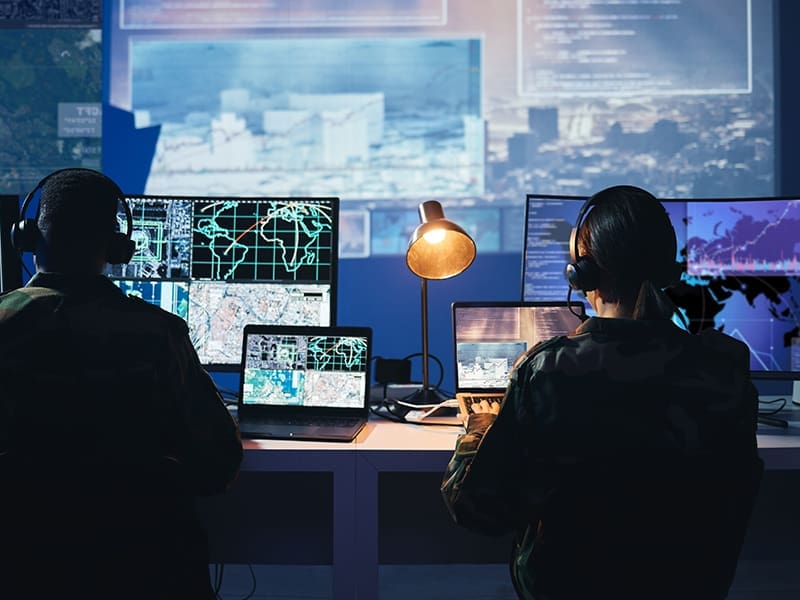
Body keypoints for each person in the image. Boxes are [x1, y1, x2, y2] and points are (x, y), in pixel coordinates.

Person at [441, 185, 762, 600]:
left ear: (584, 274)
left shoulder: (548, 371)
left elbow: (476, 509)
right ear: (668, 270)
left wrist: (479, 428)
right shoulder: (724, 369)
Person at [0, 168, 243, 599]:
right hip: (145, 572)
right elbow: (219, 462)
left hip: (21, 569)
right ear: (117, 249)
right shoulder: (159, 333)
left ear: (30, 238)